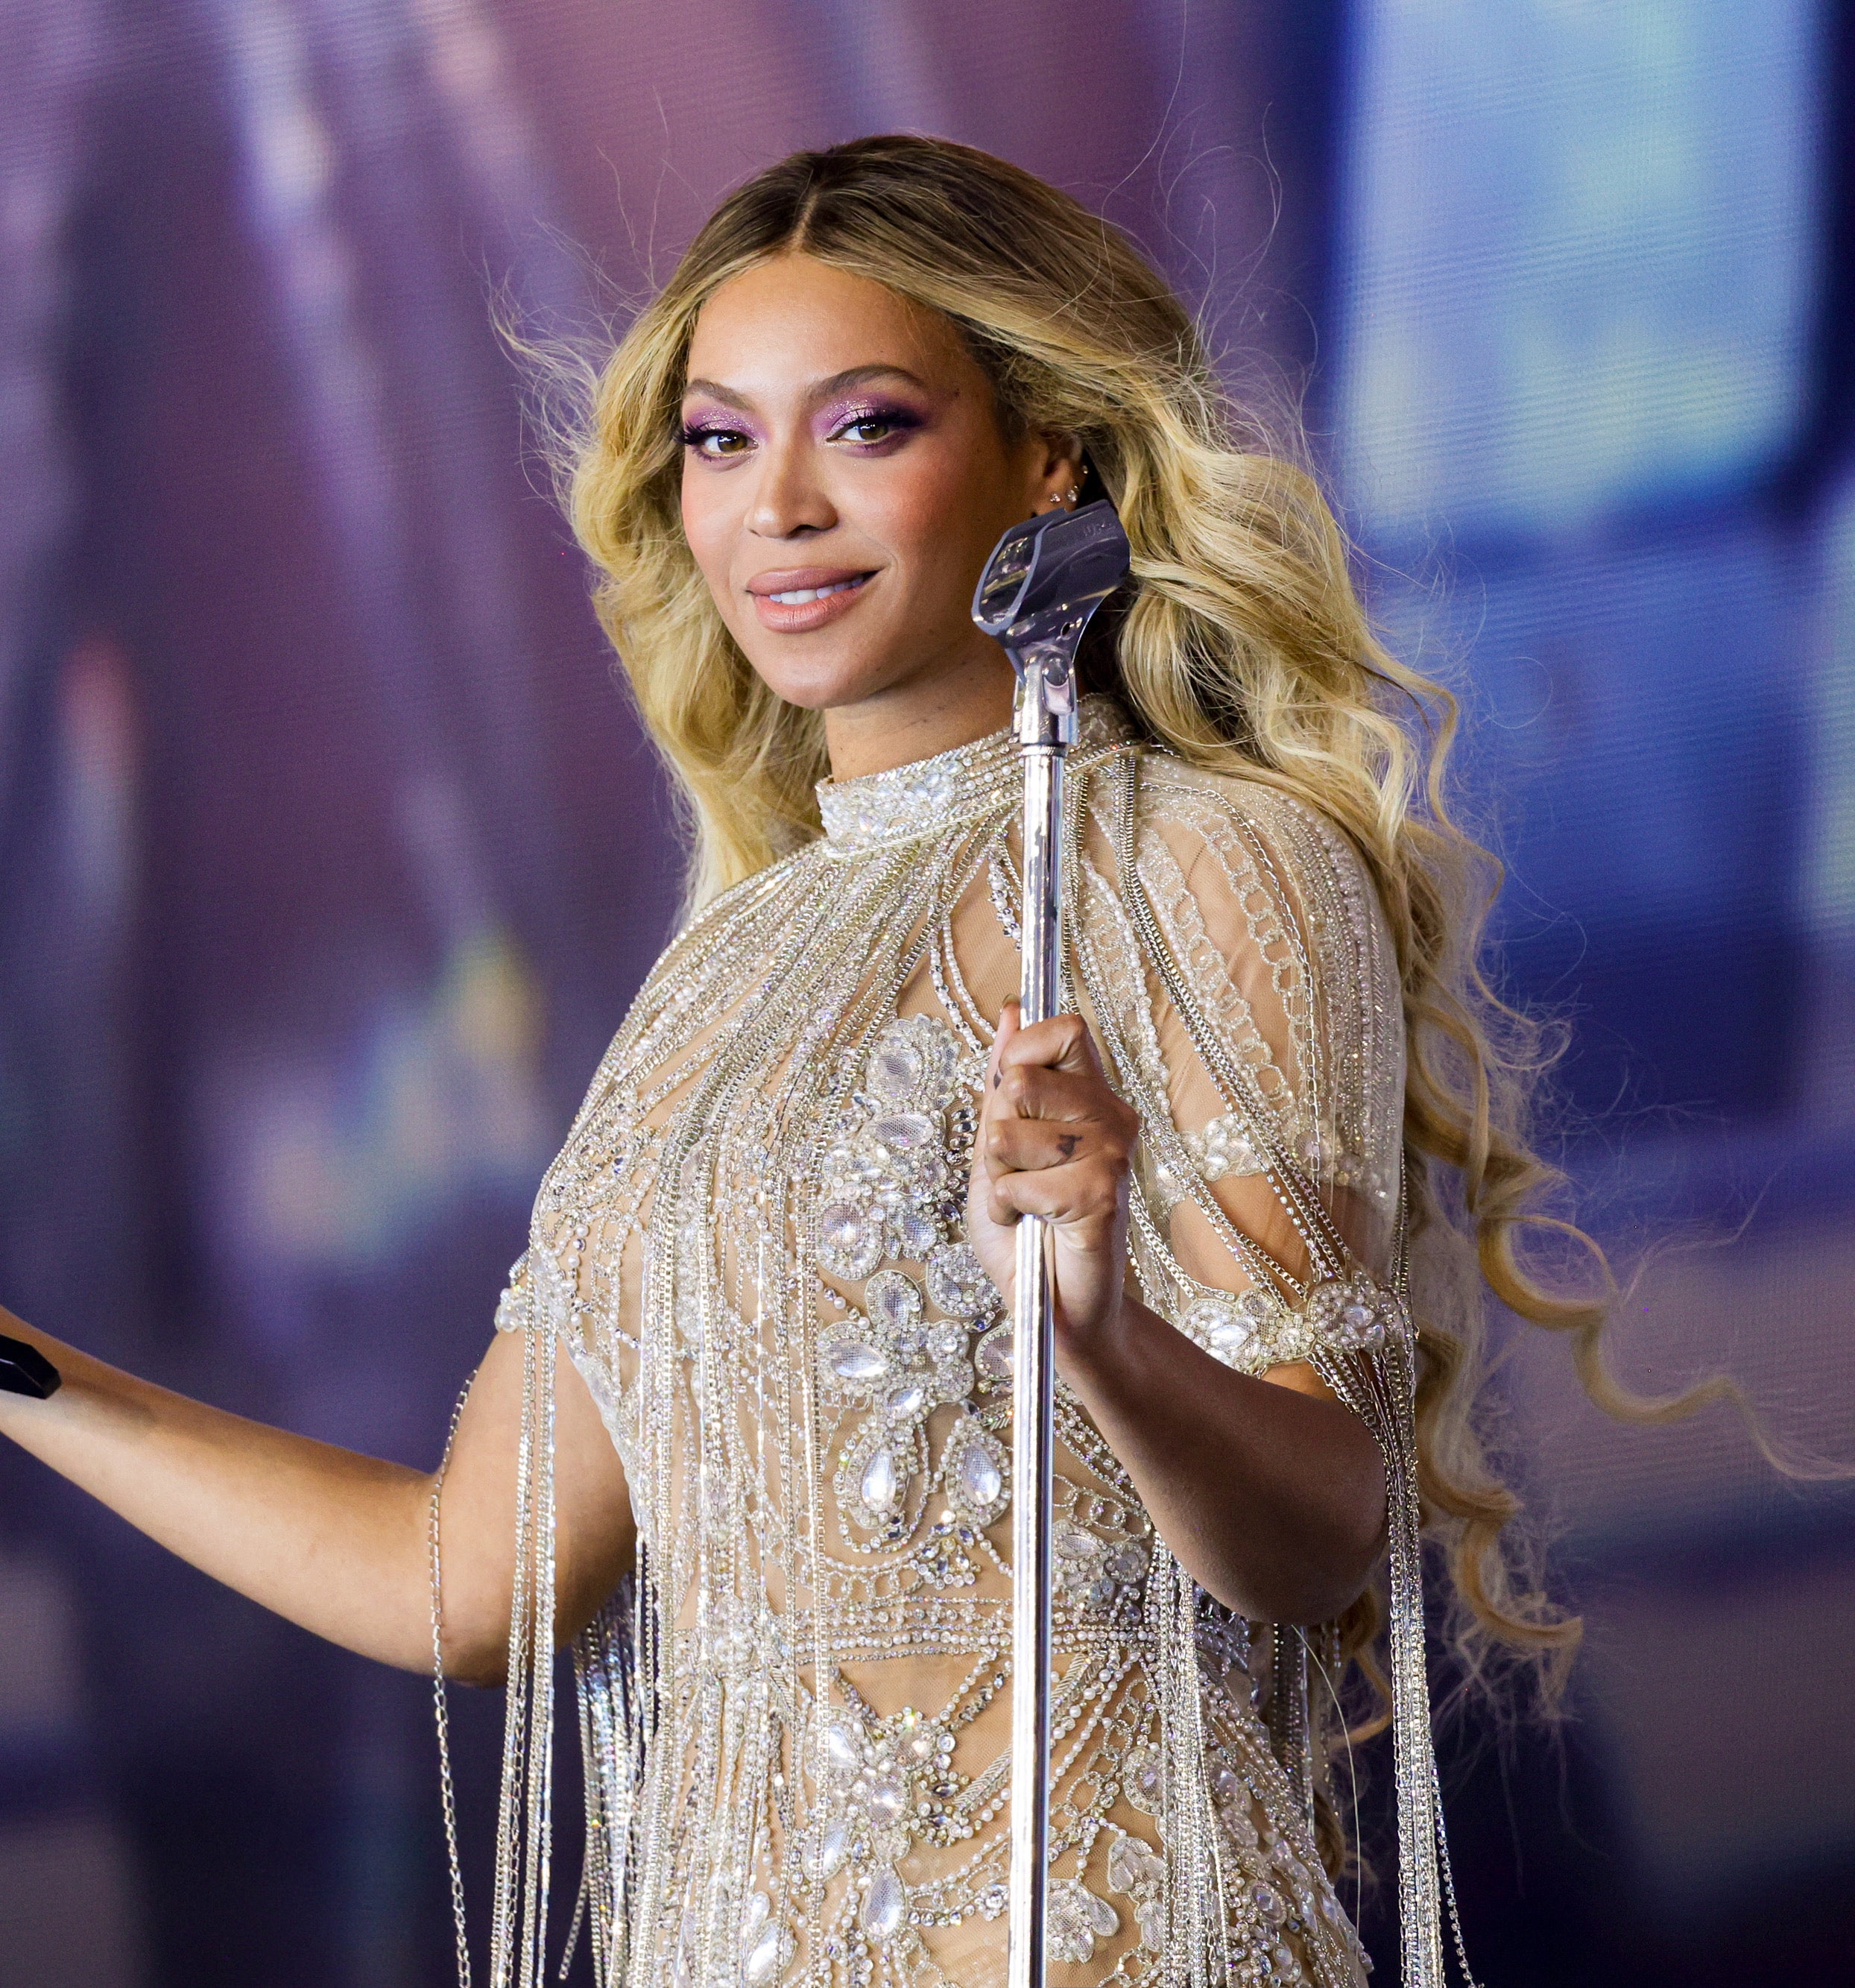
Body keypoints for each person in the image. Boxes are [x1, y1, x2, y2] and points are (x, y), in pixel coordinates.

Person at [0, 135, 1615, 1988]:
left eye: (863, 427)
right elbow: (472, 1573)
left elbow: (1319, 1531)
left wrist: (1099, 1334)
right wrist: (26, 1376)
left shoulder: (1204, 854)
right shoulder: (725, 969)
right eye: (719, 438)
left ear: (1046, 458)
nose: (776, 505)